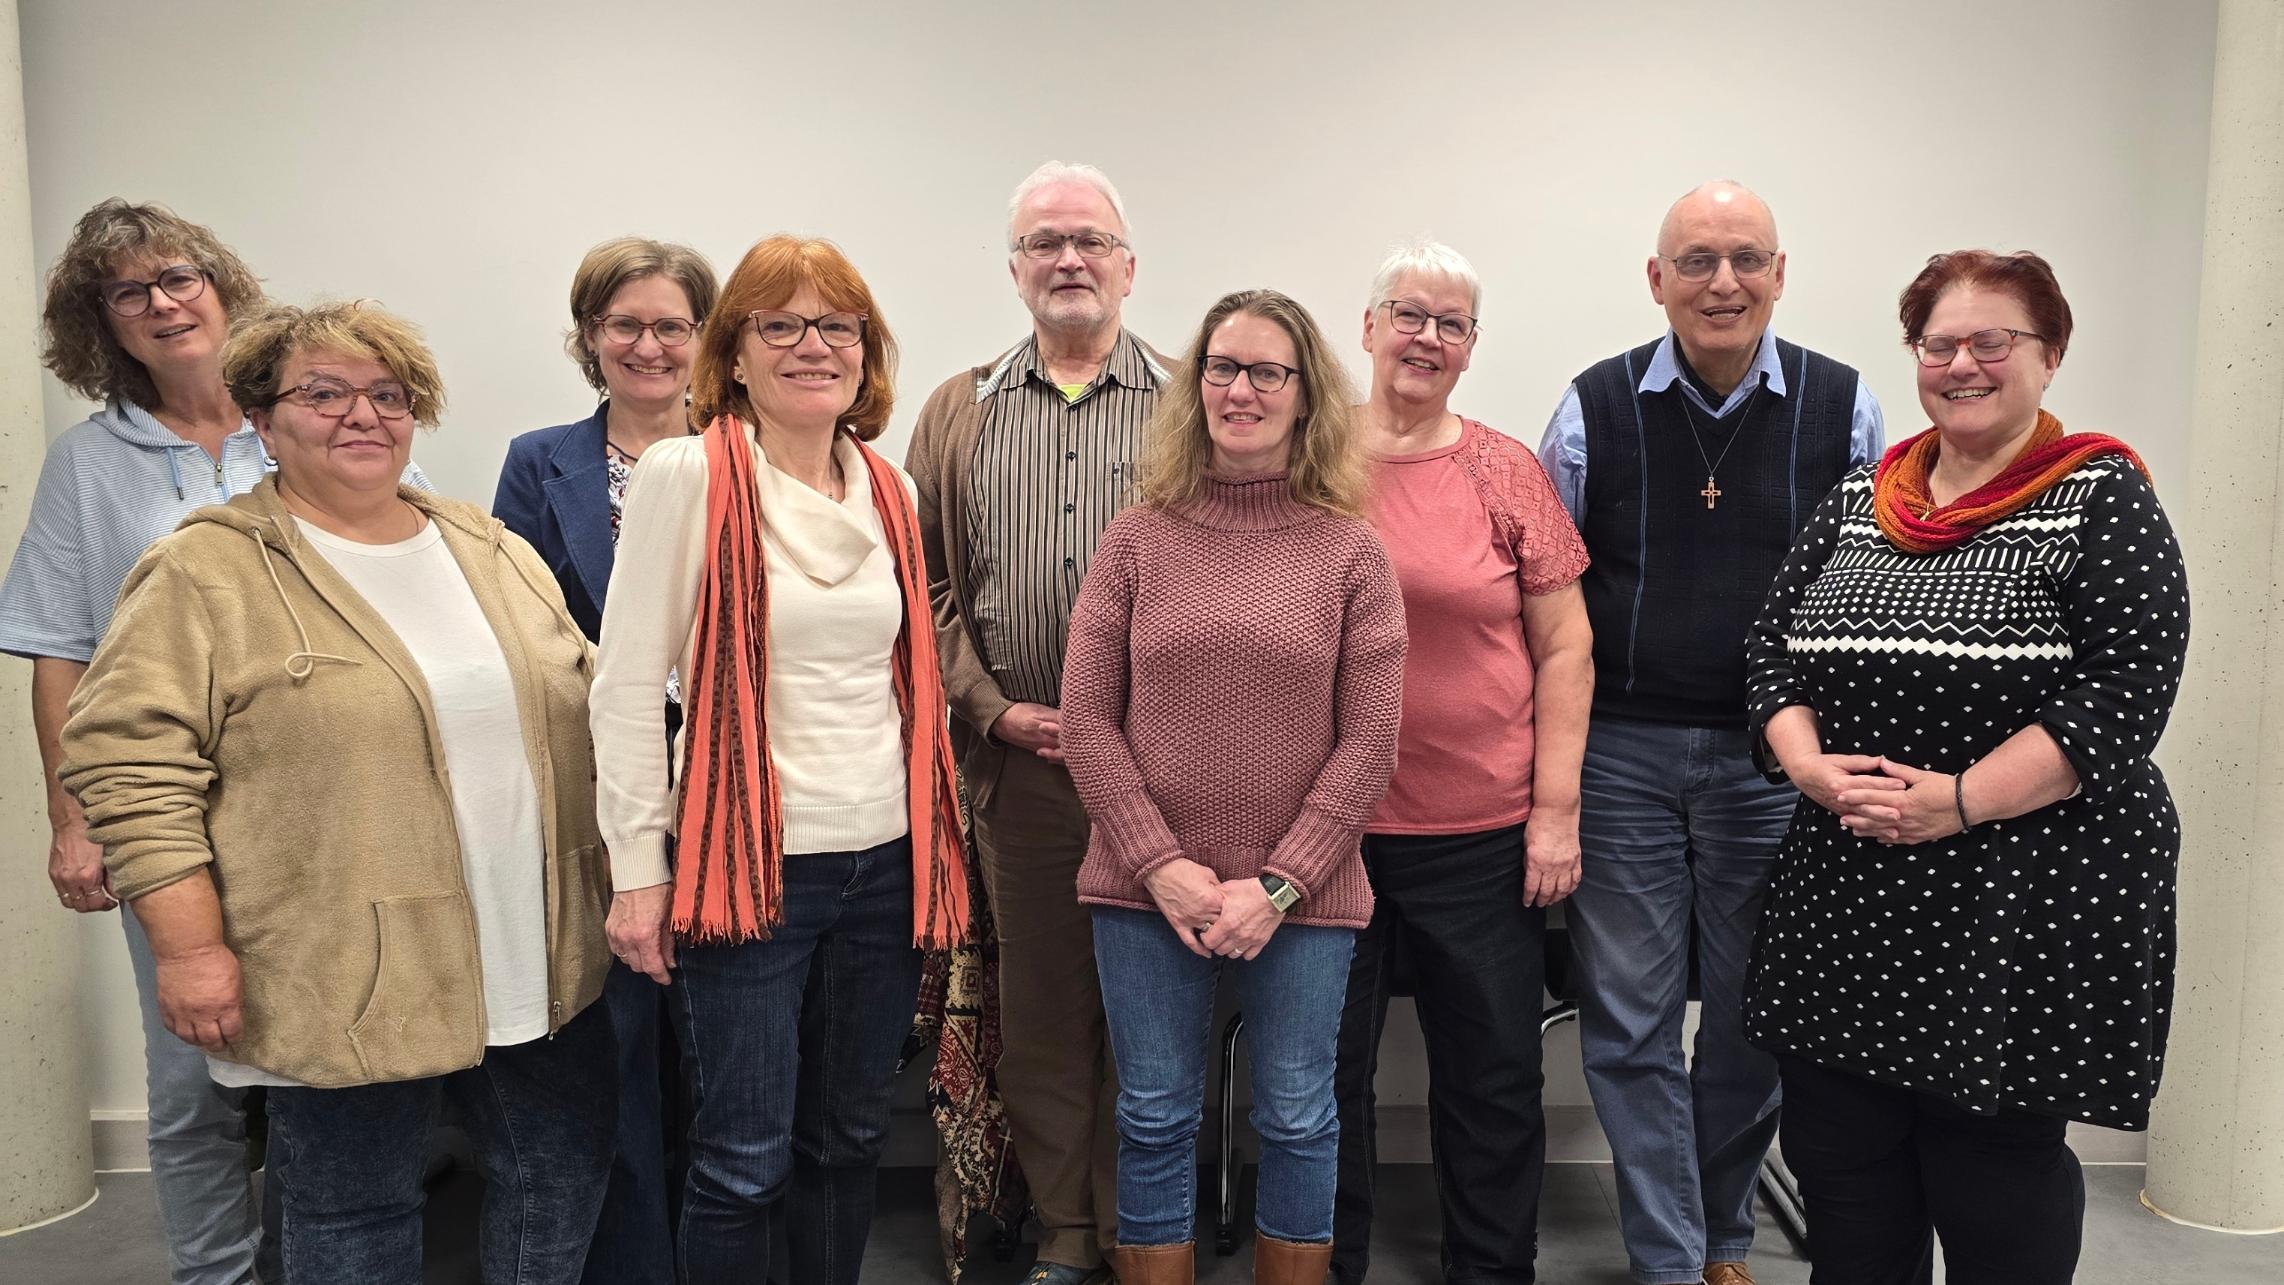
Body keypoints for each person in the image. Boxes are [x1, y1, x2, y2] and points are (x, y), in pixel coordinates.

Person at [56, 300, 614, 1284]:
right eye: (324, 393)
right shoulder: (206, 568)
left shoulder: (488, 548)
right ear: (261, 422)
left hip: (540, 943)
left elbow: (589, 695)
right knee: (352, 1204)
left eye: (387, 395)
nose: (363, 414)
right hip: (344, 966)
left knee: (557, 1171)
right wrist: (188, 949)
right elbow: (128, 760)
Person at [1743, 250, 2187, 1284]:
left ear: (2050, 354)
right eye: (1938, 343)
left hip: (2020, 894)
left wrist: (1957, 802)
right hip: (1848, 890)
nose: (1962, 363)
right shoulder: (1864, 495)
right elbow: (1770, 647)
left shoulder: (2100, 495)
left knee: (1992, 1170)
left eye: (1993, 341)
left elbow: (2125, 692)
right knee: (1843, 1165)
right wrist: (1807, 766)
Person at [0, 199, 395, 1285]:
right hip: (173, 811)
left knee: (329, 1054)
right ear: (104, 326)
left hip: (319, 804)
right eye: (130, 293)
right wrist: (72, 818)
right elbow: (58, 647)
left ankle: (326, 1257)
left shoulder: (308, 421)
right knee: (189, 1079)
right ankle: (215, 1276)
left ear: (220, 284)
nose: (163, 303)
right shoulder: (93, 464)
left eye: (178, 277)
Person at [588, 234, 970, 1285]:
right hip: (749, 871)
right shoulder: (688, 474)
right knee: (743, 1160)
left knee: (846, 1144)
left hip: (883, 865)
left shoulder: (887, 490)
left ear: (865, 351)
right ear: (737, 353)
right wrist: (636, 872)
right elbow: (623, 687)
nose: (813, 346)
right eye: (780, 324)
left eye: (836, 326)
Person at [1535, 180, 1884, 1285]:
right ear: (1656, 279)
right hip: (1620, 756)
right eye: (1695, 260)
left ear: (1780, 274)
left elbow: (1872, 589)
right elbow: (1544, 602)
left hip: (1773, 767)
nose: (1721, 282)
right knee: (1629, 1025)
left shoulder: (1847, 408)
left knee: (1751, 1020)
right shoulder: (1591, 407)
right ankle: (1674, 1258)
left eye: (1745, 258)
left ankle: (1722, 1231)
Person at [1062, 288, 1406, 1285]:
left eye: (1266, 371)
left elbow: (1367, 745)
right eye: (1220, 368)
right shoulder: (1136, 539)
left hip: (1302, 899)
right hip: (1142, 891)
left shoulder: (1350, 552)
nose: (1239, 389)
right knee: (1155, 1110)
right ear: (1194, 385)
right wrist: (1161, 865)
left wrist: (1283, 883)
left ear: (1305, 396)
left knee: (1297, 1111)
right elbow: (1087, 720)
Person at [906, 159, 1168, 1285]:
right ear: (1015, 268)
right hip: (1021, 774)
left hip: (1168, 777)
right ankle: (1068, 1234)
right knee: (1048, 1017)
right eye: (1044, 242)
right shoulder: (958, 408)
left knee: (1155, 1018)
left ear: (1127, 265)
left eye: (1089, 241)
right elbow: (925, 588)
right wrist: (994, 708)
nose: (1068, 260)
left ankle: (1141, 1230)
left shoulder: (1194, 402)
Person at [1335, 241, 1592, 1285]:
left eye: (1451, 324)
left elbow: (1565, 644)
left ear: (1471, 348)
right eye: (1408, 314)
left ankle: (1492, 1272)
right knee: (1320, 1081)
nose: (1425, 337)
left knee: (1490, 1079)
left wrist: (1555, 811)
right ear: (1364, 327)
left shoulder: (1502, 469)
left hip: (1478, 835)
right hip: (1326, 835)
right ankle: (1322, 1266)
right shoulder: (1303, 461)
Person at [492, 235, 719, 1285]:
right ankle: (639, 1266)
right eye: (623, 323)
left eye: (672, 324)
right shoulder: (541, 463)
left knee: (725, 1050)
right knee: (621, 1045)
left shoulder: (746, 454)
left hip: (733, 787)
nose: (649, 344)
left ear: (704, 338)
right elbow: (522, 628)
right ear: (589, 337)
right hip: (599, 783)